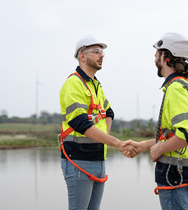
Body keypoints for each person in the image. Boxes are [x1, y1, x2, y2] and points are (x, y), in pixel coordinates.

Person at [123, 32, 188, 210]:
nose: (154, 56)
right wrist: (144, 145)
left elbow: (187, 134)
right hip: (185, 174)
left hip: (176, 173)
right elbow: (177, 135)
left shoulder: (175, 89)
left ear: (165, 57)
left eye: (157, 52)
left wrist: (159, 149)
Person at [59, 35, 138, 210]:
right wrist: (117, 143)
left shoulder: (96, 85)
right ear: (82, 56)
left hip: (98, 159)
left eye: (102, 52)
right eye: (96, 52)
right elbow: (80, 123)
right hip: (78, 160)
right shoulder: (73, 83)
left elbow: (109, 112)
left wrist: (104, 139)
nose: (101, 55)